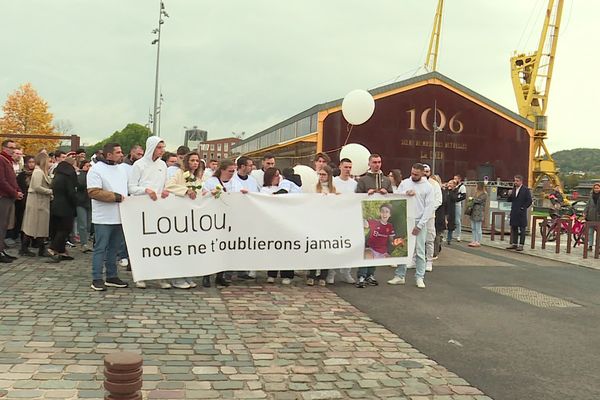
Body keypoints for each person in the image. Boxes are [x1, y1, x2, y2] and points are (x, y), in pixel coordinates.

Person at [129, 136, 171, 289]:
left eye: (163, 147)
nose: (162, 150)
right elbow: (132, 187)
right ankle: (140, 275)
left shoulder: (163, 165)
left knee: (159, 244)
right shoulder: (139, 165)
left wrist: (166, 191)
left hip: (158, 209)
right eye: (159, 147)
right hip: (141, 208)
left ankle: (160, 276)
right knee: (142, 244)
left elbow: (165, 184)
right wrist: (146, 190)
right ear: (152, 147)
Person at [87, 143, 129, 291]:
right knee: (101, 248)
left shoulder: (122, 169)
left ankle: (112, 276)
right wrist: (115, 197)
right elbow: (93, 192)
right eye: (118, 152)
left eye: (121, 152)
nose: (121, 154)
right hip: (103, 217)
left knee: (114, 248)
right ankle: (97, 277)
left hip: (119, 215)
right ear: (109, 155)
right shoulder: (96, 169)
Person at [388, 163, 434, 289]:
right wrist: (405, 193)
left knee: (419, 250)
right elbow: (396, 196)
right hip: (405, 218)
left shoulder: (428, 187)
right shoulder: (405, 183)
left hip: (419, 220)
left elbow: (429, 208)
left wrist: (420, 225)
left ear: (422, 173)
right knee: (403, 247)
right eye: (412, 173)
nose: (413, 176)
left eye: (416, 174)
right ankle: (400, 275)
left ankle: (420, 277)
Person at [166, 151, 205, 289]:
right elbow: (169, 186)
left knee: (190, 247)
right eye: (192, 160)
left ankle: (188, 274)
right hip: (180, 213)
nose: (195, 163)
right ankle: (177, 278)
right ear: (187, 161)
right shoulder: (180, 174)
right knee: (180, 246)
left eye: (197, 160)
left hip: (193, 215)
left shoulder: (198, 177)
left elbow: (200, 191)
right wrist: (185, 190)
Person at [355, 154, 393, 287]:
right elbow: (356, 197)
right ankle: (361, 275)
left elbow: (393, 197)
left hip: (381, 220)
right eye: (374, 162)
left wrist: (386, 193)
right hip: (368, 219)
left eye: (379, 162)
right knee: (366, 247)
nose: (377, 164)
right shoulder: (363, 180)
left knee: (378, 247)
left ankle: (371, 274)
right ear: (369, 163)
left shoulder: (386, 180)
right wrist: (367, 194)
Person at [328, 158, 357, 284]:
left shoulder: (354, 184)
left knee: (348, 246)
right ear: (340, 167)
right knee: (334, 245)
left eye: (350, 167)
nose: (348, 170)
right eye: (346, 167)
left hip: (349, 219)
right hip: (335, 218)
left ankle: (346, 272)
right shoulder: (333, 182)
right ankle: (331, 273)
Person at [307, 165, 336, 286]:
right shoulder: (313, 188)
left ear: (329, 176)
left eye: (324, 174)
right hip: (315, 222)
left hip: (327, 223)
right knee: (314, 249)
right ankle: (311, 275)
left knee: (326, 249)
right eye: (320, 174)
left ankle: (323, 275)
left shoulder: (333, 189)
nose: (321, 177)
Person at [21, 152, 53, 258]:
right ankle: (27, 248)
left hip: (39, 202)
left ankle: (37, 248)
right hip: (37, 203)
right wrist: (50, 191)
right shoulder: (38, 172)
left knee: (35, 226)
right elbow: (37, 187)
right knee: (33, 226)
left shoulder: (40, 171)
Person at [47, 158, 78, 263]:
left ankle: (61, 251)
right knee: (65, 229)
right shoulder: (69, 176)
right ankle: (53, 248)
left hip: (56, 205)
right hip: (66, 206)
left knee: (58, 228)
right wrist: (75, 202)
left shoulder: (58, 175)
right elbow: (71, 192)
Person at [360, 203, 396, 288]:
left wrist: (396, 242)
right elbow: (364, 223)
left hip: (382, 251)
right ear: (380, 213)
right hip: (371, 248)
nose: (384, 214)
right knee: (367, 256)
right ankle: (361, 277)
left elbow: (391, 240)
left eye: (387, 212)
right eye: (382, 211)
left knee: (387, 260)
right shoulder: (374, 222)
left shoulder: (390, 226)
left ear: (390, 214)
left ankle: (370, 276)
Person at [0, 140, 24, 262]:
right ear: (4, 148)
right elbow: (2, 181)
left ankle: (1, 249)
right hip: (3, 197)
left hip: (9, 196)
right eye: (10, 147)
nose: (13, 150)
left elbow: (12, 180)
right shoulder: (1, 159)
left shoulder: (8, 160)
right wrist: (14, 192)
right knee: (1, 224)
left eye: (14, 148)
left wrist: (17, 190)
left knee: (5, 225)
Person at [421, 164, 442, 271]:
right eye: (423, 171)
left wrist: (428, 210)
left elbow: (438, 200)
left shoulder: (434, 184)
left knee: (429, 239)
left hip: (429, 216)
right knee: (416, 239)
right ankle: (415, 260)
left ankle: (429, 261)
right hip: (417, 216)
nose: (425, 173)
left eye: (427, 172)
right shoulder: (412, 183)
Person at [14, 156, 36, 256]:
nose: (31, 164)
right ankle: (24, 247)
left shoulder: (37, 174)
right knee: (24, 225)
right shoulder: (21, 175)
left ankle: (35, 244)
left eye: (33, 162)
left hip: (33, 202)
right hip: (23, 203)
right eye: (30, 162)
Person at [506, 175, 533, 251]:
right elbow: (509, 200)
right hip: (514, 211)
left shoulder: (525, 190)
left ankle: (521, 245)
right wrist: (509, 195)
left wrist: (523, 208)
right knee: (514, 227)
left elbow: (529, 201)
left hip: (521, 212)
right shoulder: (513, 189)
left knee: (522, 229)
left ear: (521, 181)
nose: (515, 182)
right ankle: (514, 243)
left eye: (517, 181)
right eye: (515, 180)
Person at [76, 160, 92, 253]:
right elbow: (81, 184)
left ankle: (87, 241)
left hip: (89, 202)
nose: (89, 167)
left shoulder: (92, 174)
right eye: (87, 165)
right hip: (81, 202)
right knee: (82, 224)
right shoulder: (80, 175)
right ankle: (83, 243)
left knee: (89, 224)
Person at [468, 182, 487, 247]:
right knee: (473, 227)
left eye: (476, 186)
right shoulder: (476, 193)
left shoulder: (484, 194)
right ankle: (473, 240)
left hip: (479, 212)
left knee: (478, 228)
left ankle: (478, 241)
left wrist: (472, 200)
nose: (475, 187)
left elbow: (479, 201)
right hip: (473, 211)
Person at [432, 174, 447, 257]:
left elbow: (443, 203)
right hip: (434, 215)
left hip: (438, 215)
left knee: (436, 235)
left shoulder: (442, 192)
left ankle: (435, 252)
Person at [583, 183, 600, 251]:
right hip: (591, 216)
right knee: (590, 232)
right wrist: (585, 212)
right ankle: (590, 245)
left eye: (597, 188)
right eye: (595, 188)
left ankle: (598, 246)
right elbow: (587, 205)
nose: (596, 189)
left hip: (598, 217)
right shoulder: (591, 196)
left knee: (599, 233)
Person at [453, 174, 467, 241]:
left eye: (456, 179)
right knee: (452, 219)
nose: (454, 180)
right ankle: (453, 233)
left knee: (457, 220)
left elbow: (464, 196)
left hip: (457, 204)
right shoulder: (454, 186)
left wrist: (457, 200)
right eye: (454, 178)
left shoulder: (462, 187)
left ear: (459, 179)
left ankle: (458, 234)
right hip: (452, 204)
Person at [445, 180, 459, 245]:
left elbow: (454, 198)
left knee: (450, 224)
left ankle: (449, 239)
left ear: (454, 185)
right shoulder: (445, 190)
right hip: (445, 208)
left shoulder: (455, 191)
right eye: (449, 183)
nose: (449, 184)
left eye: (451, 183)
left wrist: (450, 191)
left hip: (451, 209)